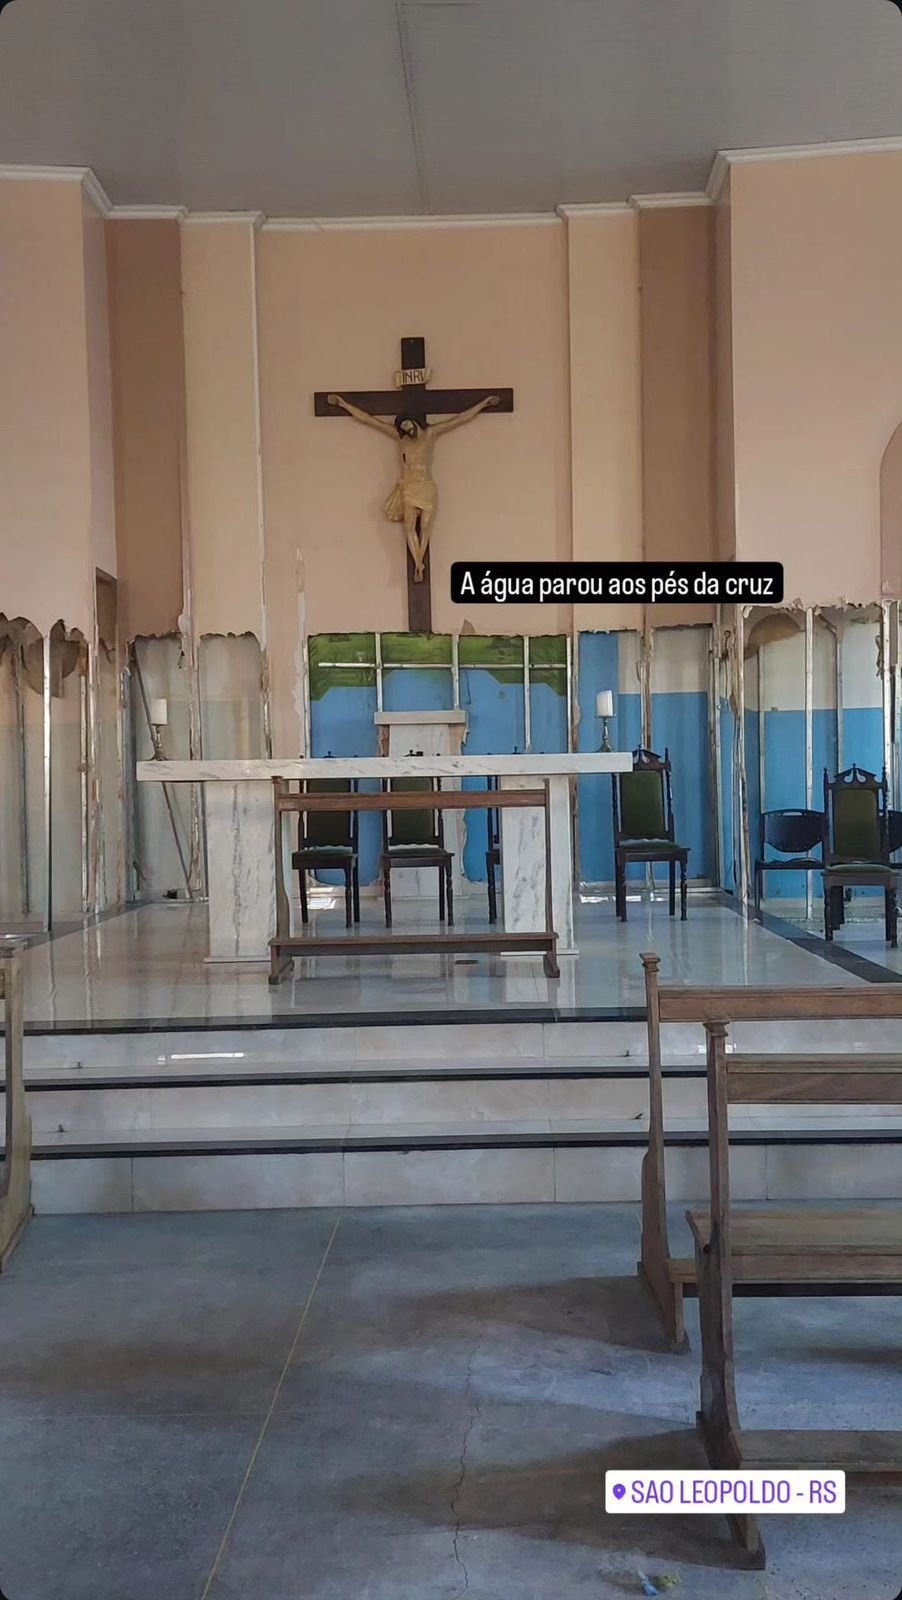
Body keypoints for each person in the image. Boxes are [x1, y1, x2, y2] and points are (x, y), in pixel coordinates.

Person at [328, 392, 500, 580]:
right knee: (409, 526)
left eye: (407, 424)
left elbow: (459, 419)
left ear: (415, 421)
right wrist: (343, 404)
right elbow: (369, 420)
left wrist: (483, 404)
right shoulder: (400, 439)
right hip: (409, 486)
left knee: (425, 525)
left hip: (425, 485)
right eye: (402, 427)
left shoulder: (431, 434)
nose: (406, 429)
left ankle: (419, 559)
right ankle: (419, 564)